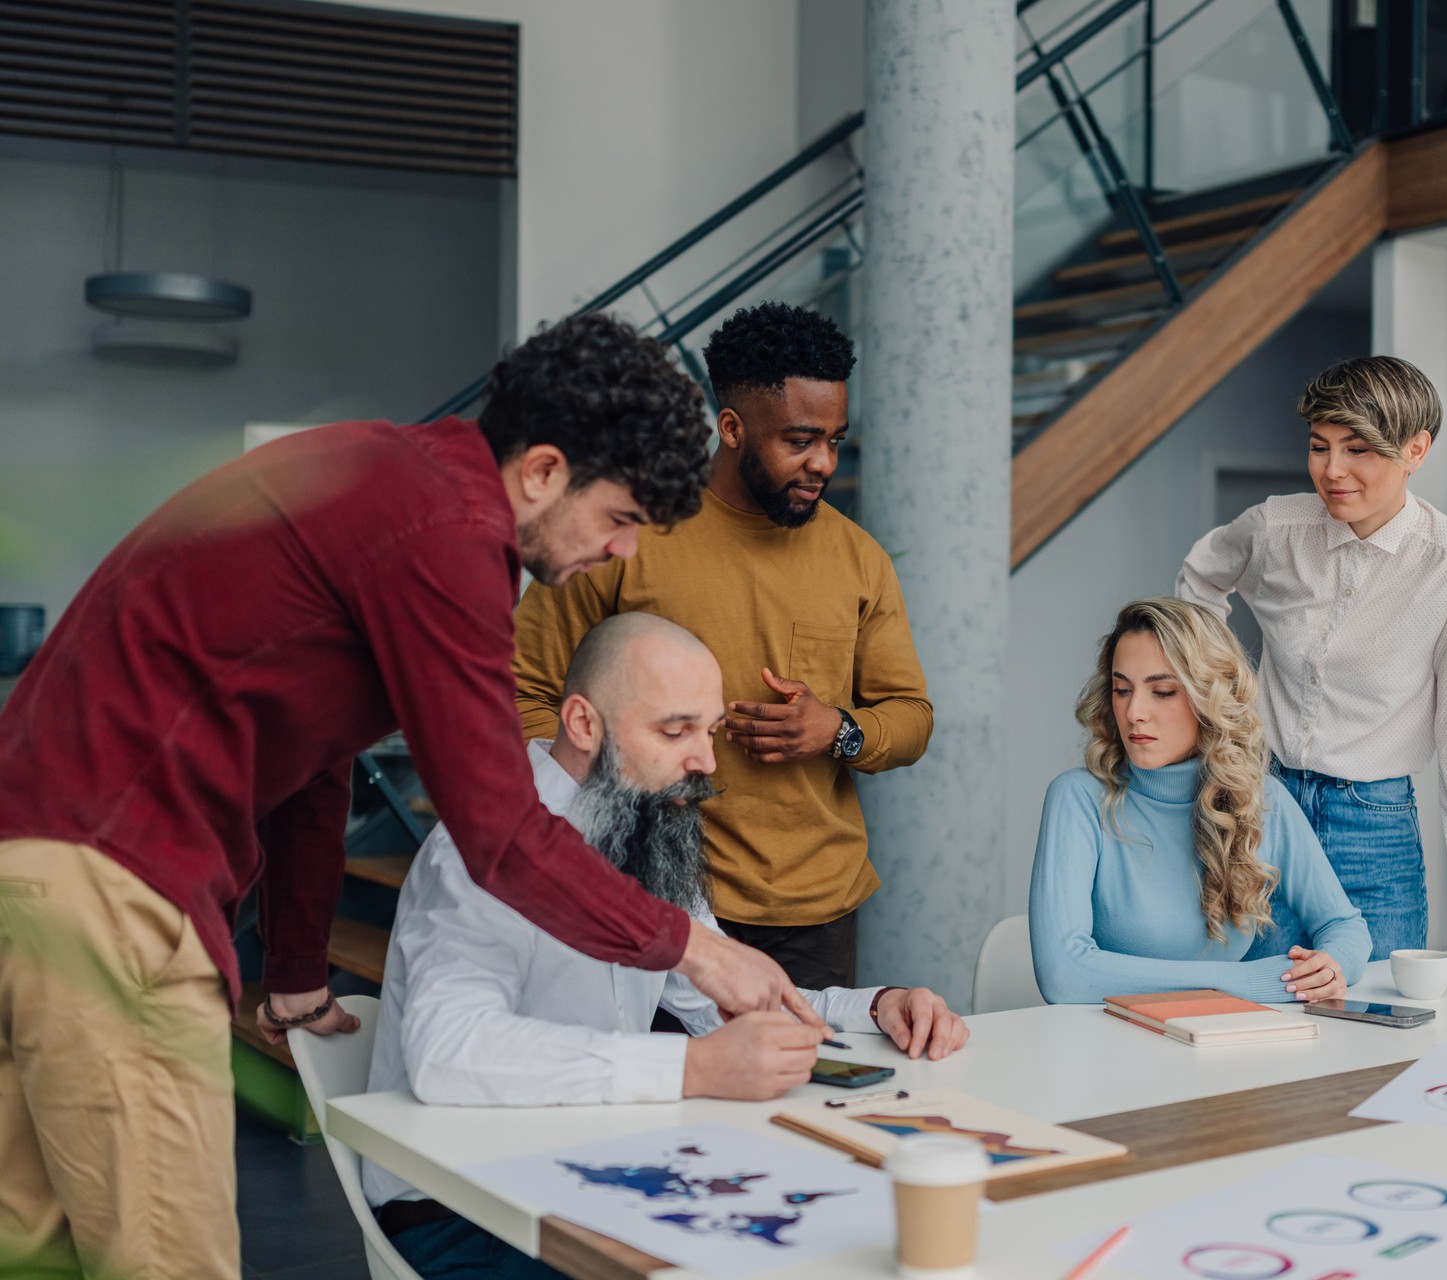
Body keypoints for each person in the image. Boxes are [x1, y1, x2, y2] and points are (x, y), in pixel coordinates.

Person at [0, 313, 818, 1280]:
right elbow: (500, 834)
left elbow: (309, 752)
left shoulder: (389, 485)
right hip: (114, 882)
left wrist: (298, 966)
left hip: (39, 868)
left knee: (45, 1251)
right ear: (545, 471)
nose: (625, 554)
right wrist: (694, 948)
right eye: (622, 518)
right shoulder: (448, 534)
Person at [363, 613, 967, 1279]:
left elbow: (726, 1007)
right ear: (584, 724)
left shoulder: (645, 823)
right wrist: (694, 1070)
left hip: (592, 1173)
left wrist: (879, 1006)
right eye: (675, 731)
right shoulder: (481, 850)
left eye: (707, 732)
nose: (706, 763)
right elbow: (447, 1054)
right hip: (460, 1208)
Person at [513, 302, 933, 990]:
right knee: (657, 1088)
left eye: (835, 439)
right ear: (732, 428)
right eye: (799, 440)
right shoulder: (629, 532)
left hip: (813, 912)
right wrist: (593, 810)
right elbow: (528, 692)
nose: (823, 461)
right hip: (646, 890)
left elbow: (911, 717)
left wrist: (840, 728)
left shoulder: (861, 559)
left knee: (804, 1089)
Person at [1177, 355, 1447, 963]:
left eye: (1358, 450)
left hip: (1374, 823)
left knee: (1374, 1015)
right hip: (1262, 808)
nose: (1331, 470)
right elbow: (1200, 578)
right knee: (1254, 1011)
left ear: (1415, 450)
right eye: (1319, 447)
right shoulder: (1274, 529)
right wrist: (1223, 694)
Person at [1029, 597, 1371, 1005]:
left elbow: (1346, 928)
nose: (1134, 711)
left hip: (1219, 1047)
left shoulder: (1262, 801)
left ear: (1210, 698)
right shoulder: (1077, 799)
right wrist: (1245, 982)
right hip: (1107, 1050)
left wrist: (1332, 967)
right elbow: (1064, 975)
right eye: (1122, 690)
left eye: (1163, 691)